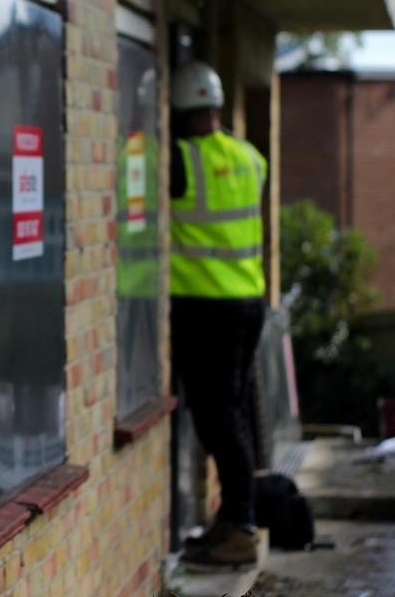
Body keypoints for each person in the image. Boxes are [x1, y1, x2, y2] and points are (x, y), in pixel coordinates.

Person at [169, 61, 266, 567]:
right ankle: (232, 520)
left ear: (179, 109)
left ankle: (240, 525)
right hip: (249, 302)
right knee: (231, 411)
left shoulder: (181, 158)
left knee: (218, 417)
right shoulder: (251, 157)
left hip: (207, 309)